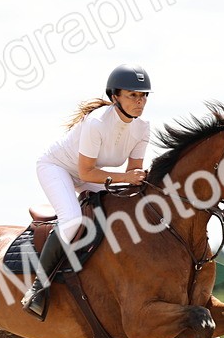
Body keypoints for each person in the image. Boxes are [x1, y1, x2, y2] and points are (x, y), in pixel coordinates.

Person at [21, 64, 152, 319]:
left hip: (93, 173)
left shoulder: (143, 127)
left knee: (121, 208)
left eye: (144, 95)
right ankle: (38, 288)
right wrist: (126, 178)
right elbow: (86, 173)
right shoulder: (96, 122)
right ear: (115, 96)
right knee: (72, 220)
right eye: (133, 95)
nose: (140, 101)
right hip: (58, 168)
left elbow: (132, 174)